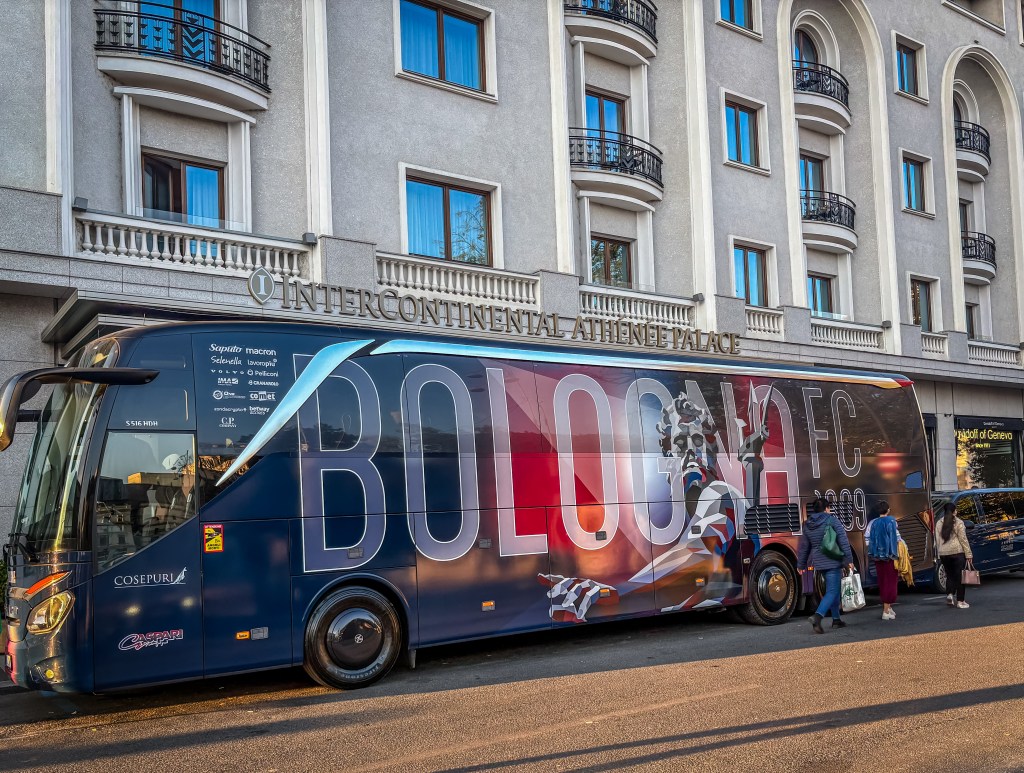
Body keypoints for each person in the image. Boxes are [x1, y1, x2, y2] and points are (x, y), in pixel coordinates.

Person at [797, 498, 856, 633]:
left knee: (833, 590)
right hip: (833, 560)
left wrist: (801, 564)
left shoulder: (808, 524)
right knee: (832, 591)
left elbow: (804, 547)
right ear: (827, 508)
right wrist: (849, 560)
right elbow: (843, 541)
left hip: (819, 562)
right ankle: (818, 617)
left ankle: (836, 619)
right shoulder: (832, 520)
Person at [864, 501, 902, 620]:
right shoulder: (891, 521)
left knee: (883, 581)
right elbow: (897, 538)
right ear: (888, 510)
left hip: (877, 557)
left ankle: (889, 608)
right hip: (889, 557)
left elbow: (867, 540)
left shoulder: (872, 523)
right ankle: (886, 611)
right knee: (891, 582)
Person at [935, 502, 973, 609]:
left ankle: (950, 595)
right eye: (956, 509)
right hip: (957, 552)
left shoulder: (939, 523)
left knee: (949, 575)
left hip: (944, 553)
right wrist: (968, 554)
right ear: (954, 511)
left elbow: (937, 539)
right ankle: (961, 601)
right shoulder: (958, 522)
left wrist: (939, 553)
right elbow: (963, 539)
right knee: (960, 577)